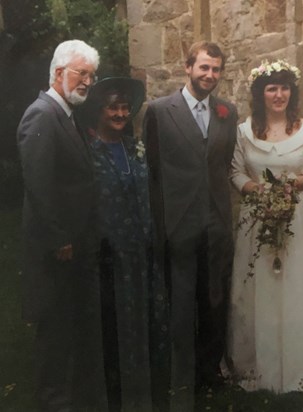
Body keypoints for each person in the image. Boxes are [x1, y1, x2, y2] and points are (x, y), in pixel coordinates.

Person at [143, 41, 238, 411]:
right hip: (178, 223)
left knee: (214, 300)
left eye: (216, 70)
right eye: (204, 68)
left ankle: (208, 371)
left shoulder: (228, 112)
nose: (210, 76)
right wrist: (161, 222)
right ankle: (180, 377)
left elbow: (223, 161)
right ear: (188, 68)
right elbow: (152, 171)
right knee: (180, 303)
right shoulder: (158, 111)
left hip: (215, 221)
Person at [16, 40, 108, 412]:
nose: (87, 81)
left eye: (91, 75)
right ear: (58, 73)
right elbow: (39, 184)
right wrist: (59, 239)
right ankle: (54, 403)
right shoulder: (41, 115)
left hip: (74, 247)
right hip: (56, 251)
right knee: (54, 333)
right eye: (80, 73)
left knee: (72, 329)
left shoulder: (66, 114)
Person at [227, 59, 303, 392]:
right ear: (260, 93)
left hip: (298, 217)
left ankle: (302, 364)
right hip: (258, 218)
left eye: (285, 87)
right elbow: (236, 172)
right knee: (262, 290)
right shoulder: (245, 132)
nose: (279, 94)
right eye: (272, 88)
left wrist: (292, 184)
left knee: (298, 287)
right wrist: (257, 189)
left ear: (292, 92)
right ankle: (260, 365)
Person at [78, 77, 169, 412]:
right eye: (112, 107)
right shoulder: (89, 153)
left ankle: (146, 392)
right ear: (99, 111)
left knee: (148, 324)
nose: (119, 114)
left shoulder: (135, 148)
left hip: (142, 254)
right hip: (110, 259)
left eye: (124, 108)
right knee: (114, 331)